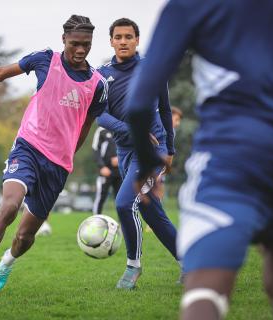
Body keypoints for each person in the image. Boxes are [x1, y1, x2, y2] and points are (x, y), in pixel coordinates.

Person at [126, 1, 273, 319]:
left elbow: (138, 105)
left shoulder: (190, 5)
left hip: (233, 154)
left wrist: (148, 165)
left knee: (205, 286)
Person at [0, 14, 108, 306]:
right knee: (10, 206)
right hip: (28, 147)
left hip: (59, 166)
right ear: (64, 39)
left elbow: (84, 127)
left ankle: (7, 263)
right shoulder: (44, 60)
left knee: (24, 237)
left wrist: (67, 157)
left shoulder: (98, 85)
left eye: (86, 45)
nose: (80, 50)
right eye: (75, 43)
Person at [97, 18, 180, 289]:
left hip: (153, 151)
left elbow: (166, 110)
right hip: (125, 152)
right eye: (118, 37)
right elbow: (100, 115)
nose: (123, 41)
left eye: (128, 36)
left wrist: (170, 149)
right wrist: (132, 131)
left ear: (137, 40)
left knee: (123, 203)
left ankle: (133, 267)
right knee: (152, 213)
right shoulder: (102, 74)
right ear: (111, 41)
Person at [91, 126, 121, 215]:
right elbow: (95, 149)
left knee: (121, 199)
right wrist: (102, 166)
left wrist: (121, 160)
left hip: (120, 171)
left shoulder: (121, 128)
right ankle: (96, 221)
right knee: (101, 196)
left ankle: (123, 225)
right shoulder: (101, 130)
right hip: (106, 170)